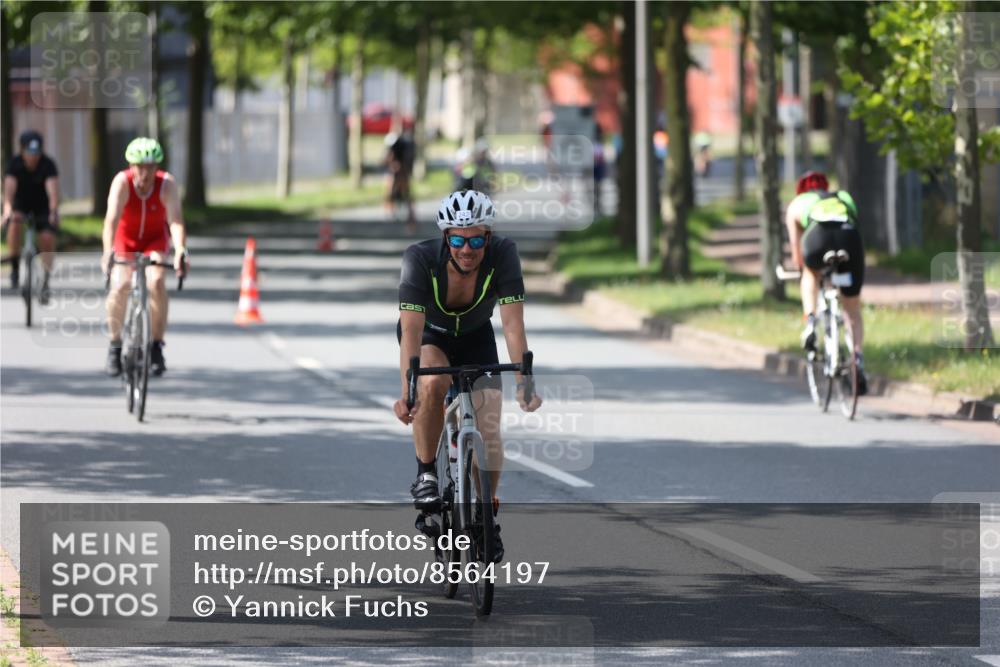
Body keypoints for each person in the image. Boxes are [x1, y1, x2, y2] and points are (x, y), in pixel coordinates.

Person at [394, 189, 542, 562]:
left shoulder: (503, 254)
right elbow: (410, 330)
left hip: (477, 337)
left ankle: (485, 516)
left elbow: (513, 325)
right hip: (431, 335)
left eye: (475, 240)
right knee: (432, 383)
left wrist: (524, 383)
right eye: (458, 240)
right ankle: (426, 473)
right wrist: (408, 391)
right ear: (446, 237)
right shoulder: (420, 259)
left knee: (488, 425)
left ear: (487, 237)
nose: (466, 249)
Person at [102, 137, 188, 378]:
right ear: (131, 166)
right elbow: (111, 221)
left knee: (157, 281)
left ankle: (156, 346)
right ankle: (115, 346)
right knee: (121, 285)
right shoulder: (122, 183)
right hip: (125, 242)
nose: (145, 173)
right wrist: (108, 252)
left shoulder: (166, 185)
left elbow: (175, 221)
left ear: (157, 167)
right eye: (139, 166)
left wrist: (180, 249)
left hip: (154, 241)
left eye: (150, 167)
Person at [785, 170, 868, 395]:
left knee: (810, 274)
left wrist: (805, 271)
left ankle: (811, 320)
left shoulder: (796, 204)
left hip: (817, 237)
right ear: (826, 186)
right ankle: (857, 358)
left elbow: (797, 254)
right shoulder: (843, 196)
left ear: (801, 190)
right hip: (848, 238)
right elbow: (855, 220)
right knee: (852, 308)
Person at [3, 130, 60, 299]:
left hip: (42, 206)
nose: (33, 156)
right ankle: (14, 268)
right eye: (30, 151)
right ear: (22, 150)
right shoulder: (14, 164)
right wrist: (7, 211)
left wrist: (53, 211)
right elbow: (9, 193)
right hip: (21, 204)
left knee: (47, 238)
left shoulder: (48, 164)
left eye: (37, 151)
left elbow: (53, 193)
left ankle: (46, 279)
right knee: (14, 226)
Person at [385, 131, 416, 231]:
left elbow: (389, 159)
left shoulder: (396, 148)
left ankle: (391, 213)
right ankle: (410, 217)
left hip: (399, 173)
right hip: (402, 172)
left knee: (392, 192)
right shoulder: (404, 147)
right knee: (405, 195)